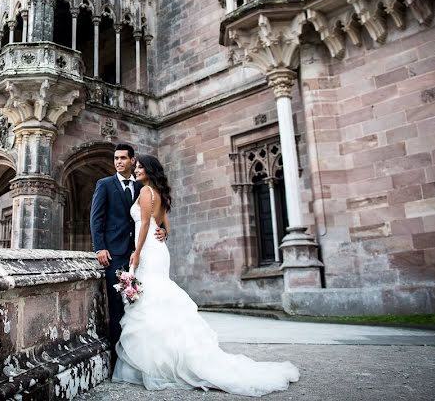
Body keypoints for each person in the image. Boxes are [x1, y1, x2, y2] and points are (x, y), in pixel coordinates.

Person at [113, 154, 300, 396]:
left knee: (151, 299)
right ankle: (162, 360)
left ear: (148, 170)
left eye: (139, 167)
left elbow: (147, 224)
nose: (136, 170)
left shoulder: (147, 192)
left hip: (148, 250)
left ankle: (158, 365)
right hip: (157, 249)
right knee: (154, 298)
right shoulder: (157, 192)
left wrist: (136, 253)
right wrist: (163, 236)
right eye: (135, 166)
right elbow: (165, 225)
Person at [90, 143, 165, 373]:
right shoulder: (104, 184)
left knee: (138, 309)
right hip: (113, 255)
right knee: (116, 310)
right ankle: (117, 364)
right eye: (116, 158)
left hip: (139, 255)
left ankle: (139, 360)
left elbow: (154, 215)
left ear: (133, 160)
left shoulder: (141, 186)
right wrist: (99, 248)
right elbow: (96, 218)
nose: (119, 162)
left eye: (123, 158)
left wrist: (163, 231)